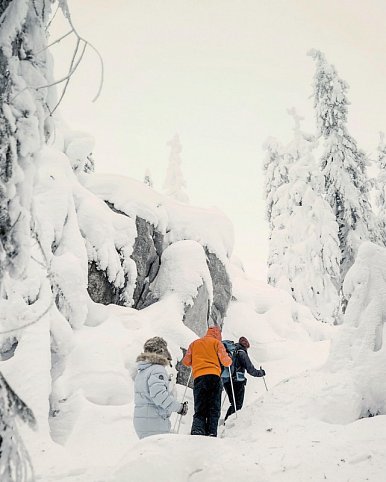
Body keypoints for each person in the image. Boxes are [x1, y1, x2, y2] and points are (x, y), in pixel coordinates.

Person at [133, 336, 188, 439]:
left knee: (149, 452)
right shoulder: (157, 369)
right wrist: (179, 408)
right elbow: (160, 396)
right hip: (154, 421)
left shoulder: (142, 371)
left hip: (142, 420)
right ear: (160, 351)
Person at [182, 326, 232, 437]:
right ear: (218, 335)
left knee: (200, 406)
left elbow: (186, 361)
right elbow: (226, 362)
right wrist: (229, 358)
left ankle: (198, 430)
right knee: (214, 406)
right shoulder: (217, 343)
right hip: (214, 376)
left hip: (199, 377)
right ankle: (211, 432)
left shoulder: (195, 344)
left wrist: (198, 362)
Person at [223, 336, 266, 422]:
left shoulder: (232, 352)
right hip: (237, 381)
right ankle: (227, 423)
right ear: (246, 345)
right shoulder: (242, 353)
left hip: (226, 380)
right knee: (237, 404)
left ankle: (226, 422)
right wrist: (260, 373)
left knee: (234, 403)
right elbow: (250, 369)